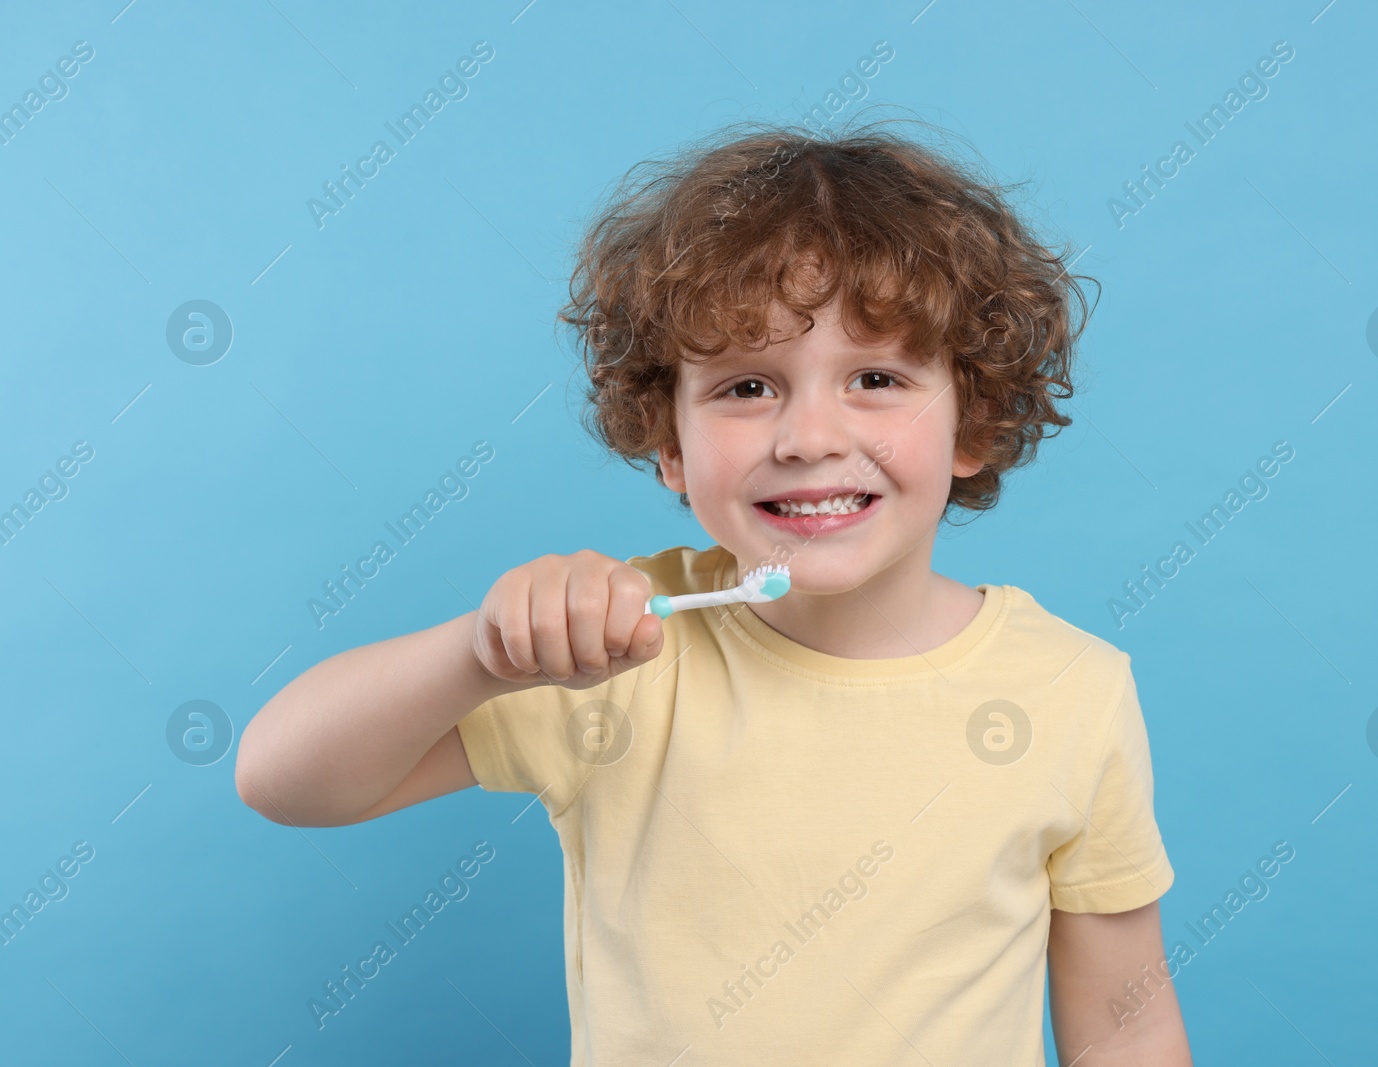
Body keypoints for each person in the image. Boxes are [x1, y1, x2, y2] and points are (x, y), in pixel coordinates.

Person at [236, 116, 1191, 1065]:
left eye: (875, 377)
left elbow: (1126, 1024)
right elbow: (284, 779)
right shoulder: (620, 654)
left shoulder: (1072, 690)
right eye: (746, 388)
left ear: (972, 422)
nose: (809, 436)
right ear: (670, 446)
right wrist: (478, 655)